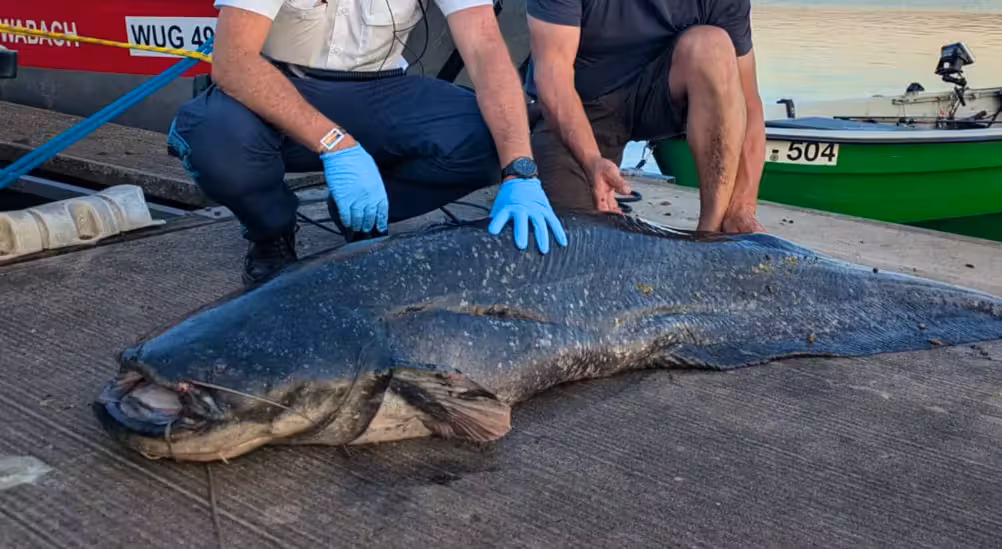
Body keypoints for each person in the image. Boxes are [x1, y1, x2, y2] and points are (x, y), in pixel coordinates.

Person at [168, 0, 567, 286]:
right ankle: (270, 231)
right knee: (213, 136)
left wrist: (519, 169)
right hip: (280, 87)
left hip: (382, 90)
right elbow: (234, 60)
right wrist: (336, 144)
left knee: (488, 137)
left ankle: (362, 216)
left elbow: (485, 50)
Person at [525, 0, 766, 234]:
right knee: (575, 233)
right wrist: (591, 160)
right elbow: (553, 79)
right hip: (581, 107)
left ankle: (711, 233)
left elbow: (749, 105)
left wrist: (742, 206)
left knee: (712, 45)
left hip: (659, 95)